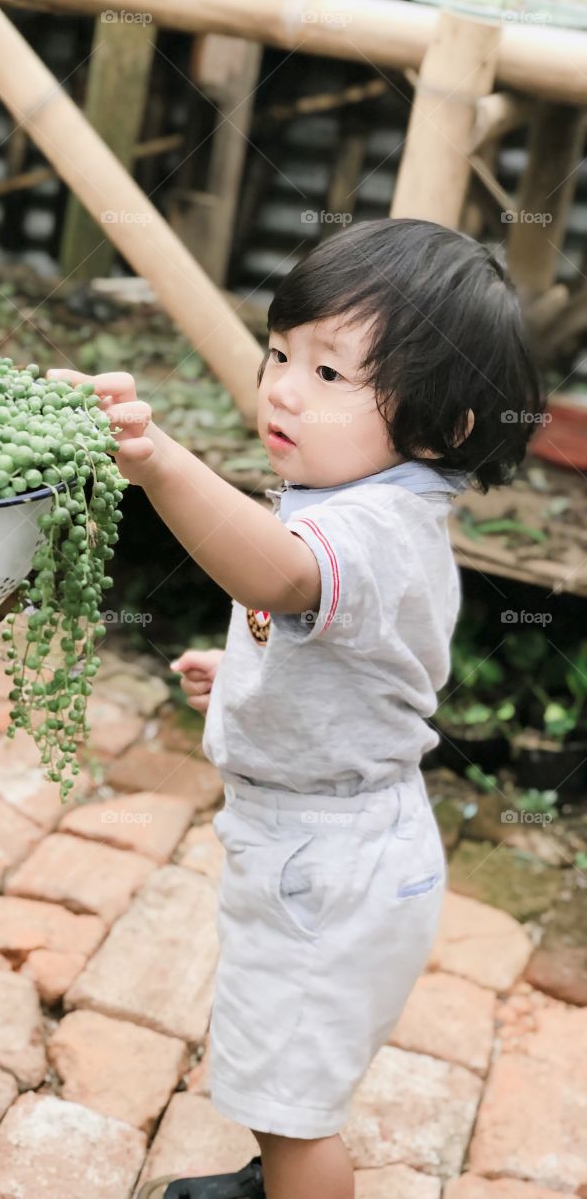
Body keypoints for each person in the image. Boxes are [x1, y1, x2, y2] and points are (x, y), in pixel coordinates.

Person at [47, 217, 541, 1199]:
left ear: (443, 427)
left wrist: (156, 461)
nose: (281, 386)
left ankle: (297, 1173)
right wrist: (236, 680)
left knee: (292, 1097)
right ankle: (273, 1170)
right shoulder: (354, 497)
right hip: (322, 842)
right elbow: (319, 635)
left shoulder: (379, 526)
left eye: (329, 374)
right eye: (282, 352)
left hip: (331, 864)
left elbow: (275, 573)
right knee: (284, 1055)